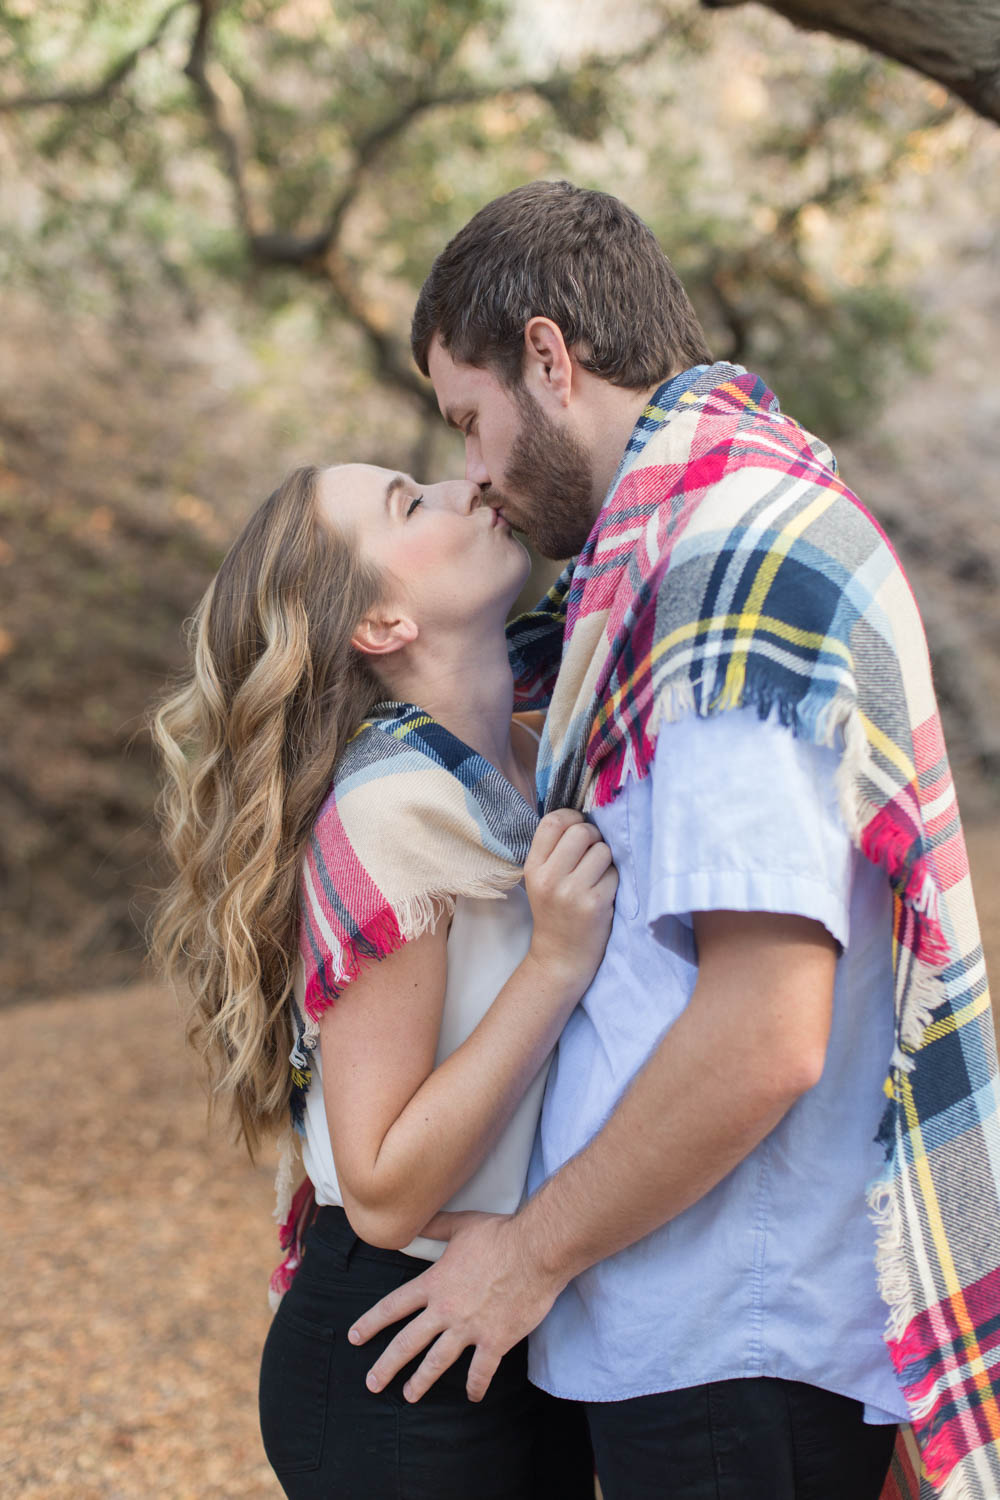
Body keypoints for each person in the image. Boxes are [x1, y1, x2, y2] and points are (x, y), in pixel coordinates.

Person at [347, 180, 1000, 1500]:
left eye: (470, 420)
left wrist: (529, 1253)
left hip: (730, 1350)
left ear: (550, 355)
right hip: (694, 1332)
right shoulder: (665, 560)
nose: (473, 469)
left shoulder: (726, 565)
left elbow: (766, 1033)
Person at [149, 461, 611, 1498]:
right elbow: (384, 1189)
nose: (461, 486)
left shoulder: (537, 762)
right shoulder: (394, 811)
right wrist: (554, 962)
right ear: (381, 625)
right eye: (410, 502)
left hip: (506, 1322)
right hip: (397, 1362)